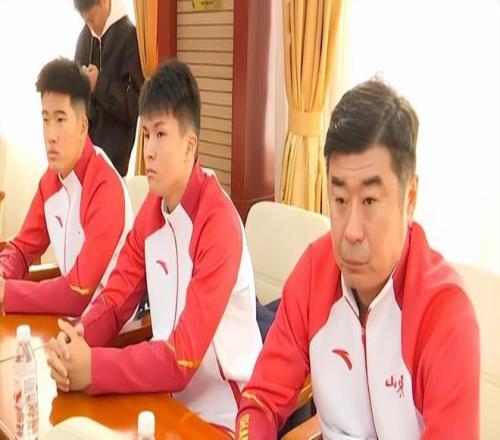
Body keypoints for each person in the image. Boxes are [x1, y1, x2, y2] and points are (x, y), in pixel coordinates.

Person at [235, 79, 480, 439]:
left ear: (410, 198)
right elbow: (260, 400)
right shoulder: (314, 273)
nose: (351, 231)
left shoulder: (444, 313)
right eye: (339, 200)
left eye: (369, 201)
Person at [45, 60, 262, 435]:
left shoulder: (218, 224)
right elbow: (116, 299)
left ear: (189, 145)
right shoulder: (153, 209)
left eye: (160, 134)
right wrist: (76, 340)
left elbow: (181, 359)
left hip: (226, 414)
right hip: (164, 399)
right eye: (145, 134)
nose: (148, 150)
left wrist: (92, 368)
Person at [0, 58, 133, 316]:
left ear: (83, 125)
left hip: (113, 328)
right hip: (69, 322)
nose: (51, 135)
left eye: (60, 119)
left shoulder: (105, 187)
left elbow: (77, 294)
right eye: (45, 119)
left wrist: (9, 292)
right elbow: (22, 248)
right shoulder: (51, 179)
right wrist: (2, 274)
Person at [74, 0, 144, 176]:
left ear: (104, 2)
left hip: (114, 162)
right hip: (83, 155)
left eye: (92, 19)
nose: (90, 26)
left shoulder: (130, 37)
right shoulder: (85, 35)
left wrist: (99, 84)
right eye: (85, 21)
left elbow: (134, 105)